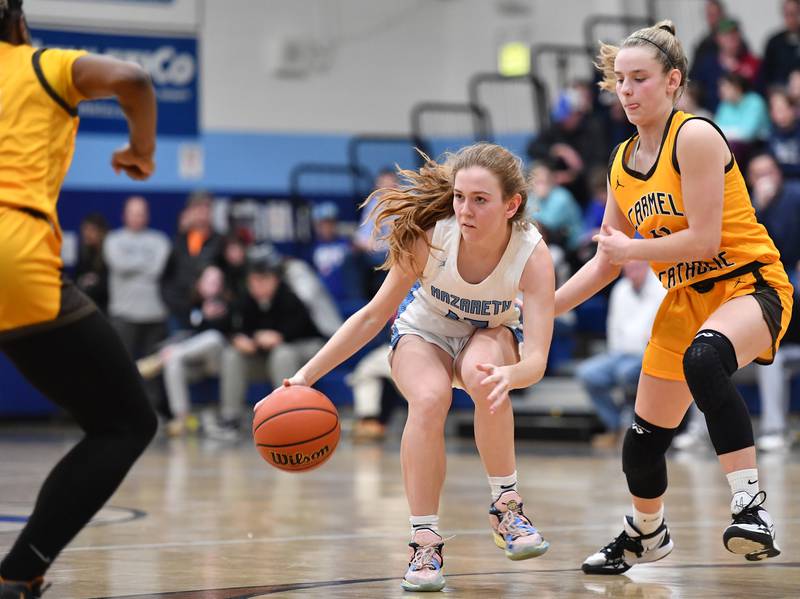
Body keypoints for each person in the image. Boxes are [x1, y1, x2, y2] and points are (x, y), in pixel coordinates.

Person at [256, 143, 555, 592]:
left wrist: (509, 377)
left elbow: (535, 361)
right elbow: (373, 315)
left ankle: (507, 508)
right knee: (430, 398)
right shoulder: (433, 237)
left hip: (489, 338)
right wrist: (304, 377)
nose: (465, 209)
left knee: (483, 374)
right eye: (459, 197)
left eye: (480, 199)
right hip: (425, 332)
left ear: (511, 205)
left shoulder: (532, 255)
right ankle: (424, 541)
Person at [563, 20, 793, 575]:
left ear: (673, 81)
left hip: (749, 283)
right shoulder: (621, 162)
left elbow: (704, 240)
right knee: (641, 444)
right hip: (685, 298)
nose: (627, 90)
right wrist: (537, 308)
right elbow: (604, 262)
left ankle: (750, 508)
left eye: (640, 78)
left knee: (705, 357)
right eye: (620, 80)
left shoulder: (694, 136)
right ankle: (647, 532)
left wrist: (631, 252)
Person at [0, 2, 158, 597]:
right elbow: (133, 79)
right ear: (16, 20)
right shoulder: (41, 64)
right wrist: (140, 150)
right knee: (124, 423)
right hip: (11, 250)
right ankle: (19, 573)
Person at [576, 261, 666, 448]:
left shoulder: (661, 288)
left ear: (646, 266)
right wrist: (614, 354)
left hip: (648, 354)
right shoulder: (620, 289)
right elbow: (613, 325)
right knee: (587, 373)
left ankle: (638, 428)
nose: (631, 271)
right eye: (628, 268)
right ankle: (616, 426)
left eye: (635, 267)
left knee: (626, 373)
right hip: (619, 353)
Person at [104, 195, 171, 411]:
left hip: (155, 315)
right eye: (133, 212)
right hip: (123, 315)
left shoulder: (159, 240)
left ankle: (152, 413)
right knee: (121, 367)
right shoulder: (113, 240)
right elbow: (119, 264)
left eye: (141, 212)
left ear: (147, 215)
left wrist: (133, 266)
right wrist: (145, 265)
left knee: (152, 370)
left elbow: (158, 268)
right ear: (124, 215)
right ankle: (120, 412)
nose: (137, 217)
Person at [73, 212, 110, 313]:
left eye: (92, 230)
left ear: (102, 233)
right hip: (85, 308)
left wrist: (95, 283)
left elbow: (109, 285)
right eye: (85, 229)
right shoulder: (83, 252)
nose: (87, 233)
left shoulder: (110, 253)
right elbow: (76, 280)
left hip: (106, 309)